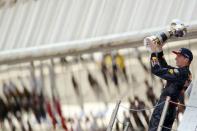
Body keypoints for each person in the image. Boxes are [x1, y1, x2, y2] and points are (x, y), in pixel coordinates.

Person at [148, 45, 193, 131]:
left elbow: (156, 69)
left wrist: (153, 53)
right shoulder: (184, 72)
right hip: (170, 108)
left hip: (164, 108)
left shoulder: (180, 73)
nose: (176, 58)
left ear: (186, 60)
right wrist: (159, 51)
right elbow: (165, 67)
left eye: (179, 56)